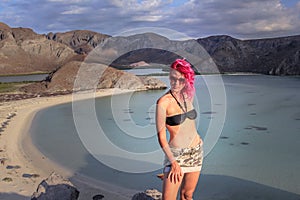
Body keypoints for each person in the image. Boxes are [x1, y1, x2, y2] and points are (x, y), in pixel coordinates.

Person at [156, 58, 203, 200]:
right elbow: (161, 137)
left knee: (187, 195)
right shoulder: (163, 102)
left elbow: (190, 125)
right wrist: (173, 163)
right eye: (173, 79)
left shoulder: (188, 95)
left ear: (187, 80)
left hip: (196, 152)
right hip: (176, 155)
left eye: (181, 80)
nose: (176, 83)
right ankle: (167, 172)